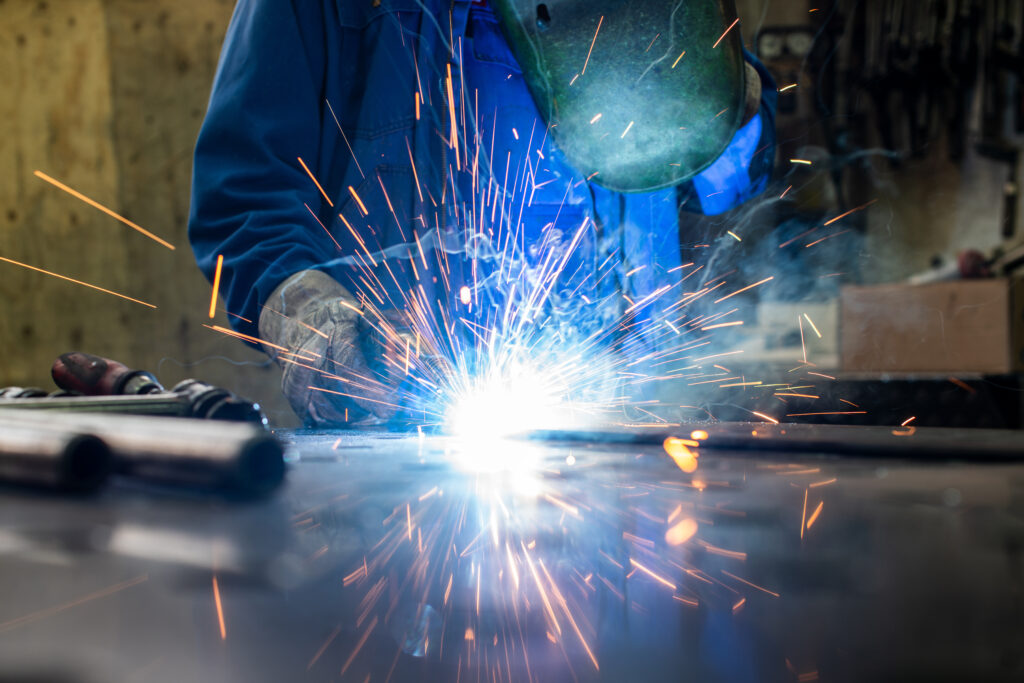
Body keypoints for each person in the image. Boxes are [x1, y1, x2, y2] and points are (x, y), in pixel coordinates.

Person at [188, 0, 777, 427]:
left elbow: (729, 184)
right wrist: (315, 321)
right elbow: (244, 200)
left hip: (636, 418)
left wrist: (722, 96)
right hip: (412, 434)